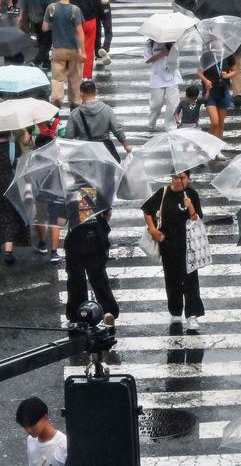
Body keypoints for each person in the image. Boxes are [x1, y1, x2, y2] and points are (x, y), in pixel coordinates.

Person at [143, 171, 205, 332]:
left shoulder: (192, 194)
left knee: (191, 280)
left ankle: (192, 315)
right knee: (171, 280)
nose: (178, 180)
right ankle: (175, 312)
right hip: (168, 245)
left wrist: (191, 206)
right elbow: (147, 210)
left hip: (189, 245)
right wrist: (152, 230)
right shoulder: (163, 192)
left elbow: (196, 219)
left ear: (189, 179)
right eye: (175, 177)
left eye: (182, 178)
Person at [63, 185, 118, 329]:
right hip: (97, 240)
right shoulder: (97, 188)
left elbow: (61, 221)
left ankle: (78, 314)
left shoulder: (67, 193)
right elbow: (107, 214)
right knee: (99, 276)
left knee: (76, 279)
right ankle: (108, 311)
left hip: (76, 242)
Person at [0, 129, 29, 264]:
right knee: (10, 215)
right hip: (9, 186)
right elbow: (18, 164)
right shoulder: (13, 147)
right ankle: (8, 251)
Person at [43, 0, 85, 108]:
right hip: (73, 49)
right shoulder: (75, 10)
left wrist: (54, 25)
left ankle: (56, 99)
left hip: (58, 48)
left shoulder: (51, 8)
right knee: (75, 78)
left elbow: (44, 28)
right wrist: (83, 51)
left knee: (57, 78)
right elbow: (80, 32)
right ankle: (75, 102)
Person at [68, 81, 132, 160]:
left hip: (85, 152)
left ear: (81, 94)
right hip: (105, 151)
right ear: (96, 92)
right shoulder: (106, 109)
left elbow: (69, 136)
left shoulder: (75, 113)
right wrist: (126, 146)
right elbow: (116, 129)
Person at [16, 396, 67, 466]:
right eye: (24, 426)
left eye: (31, 424)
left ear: (45, 417)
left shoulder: (64, 446)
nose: (28, 430)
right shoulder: (30, 440)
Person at [145, 39, 182, 131]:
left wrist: (171, 53)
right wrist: (162, 54)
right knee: (156, 103)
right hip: (157, 77)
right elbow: (147, 60)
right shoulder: (150, 43)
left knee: (173, 103)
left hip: (172, 76)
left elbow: (177, 61)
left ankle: (170, 125)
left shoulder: (174, 42)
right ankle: (151, 122)